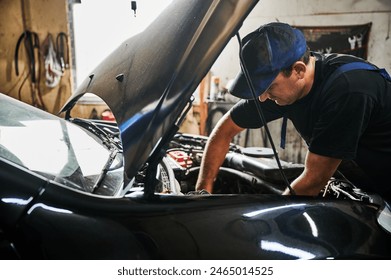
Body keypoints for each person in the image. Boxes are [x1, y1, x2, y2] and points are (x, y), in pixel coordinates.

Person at [195, 22, 391, 200]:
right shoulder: (285, 87)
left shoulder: (348, 90)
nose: (262, 98)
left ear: (298, 70)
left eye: (269, 87)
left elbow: (313, 180)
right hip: (362, 182)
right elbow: (224, 130)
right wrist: (202, 191)